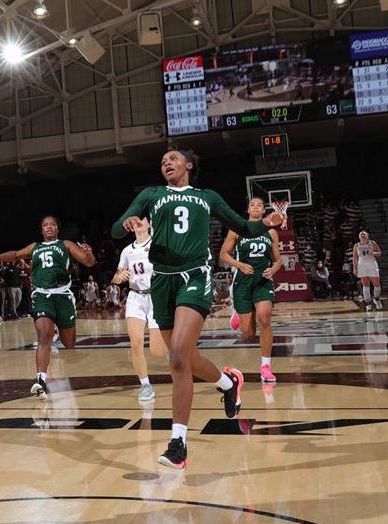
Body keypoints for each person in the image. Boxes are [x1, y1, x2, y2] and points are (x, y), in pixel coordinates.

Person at [111, 148, 283, 468]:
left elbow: (243, 227)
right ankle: (228, 384)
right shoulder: (152, 194)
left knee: (177, 355)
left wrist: (265, 223)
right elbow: (115, 229)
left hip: (194, 275)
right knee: (186, 357)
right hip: (161, 281)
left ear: (189, 165)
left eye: (173, 159)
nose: (167, 163)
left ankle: (178, 444)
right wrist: (126, 223)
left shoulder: (207, 197)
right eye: (163, 161)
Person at [0, 216, 95, 399]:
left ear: (57, 229)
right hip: (42, 295)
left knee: (69, 344)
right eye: (45, 225)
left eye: (52, 225)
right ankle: (40, 381)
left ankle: (58, 328)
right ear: (41, 230)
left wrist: (89, 253)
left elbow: (88, 262)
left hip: (63, 295)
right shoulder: (35, 247)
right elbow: (15, 254)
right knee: (44, 337)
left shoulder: (65, 244)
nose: (49, 227)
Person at [220, 197, 281, 383]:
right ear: (248, 209)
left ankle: (265, 367)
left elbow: (278, 260)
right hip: (243, 281)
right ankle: (238, 314)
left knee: (264, 318)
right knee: (248, 333)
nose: (255, 207)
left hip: (263, 280)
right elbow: (223, 254)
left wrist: (273, 269)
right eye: (252, 205)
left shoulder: (271, 232)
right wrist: (239, 265)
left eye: (259, 205)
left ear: (264, 211)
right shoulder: (237, 229)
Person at [112, 217, 166, 402]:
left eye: (142, 220)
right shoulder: (127, 251)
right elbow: (116, 277)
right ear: (131, 227)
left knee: (157, 352)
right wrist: (119, 277)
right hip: (135, 297)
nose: (139, 223)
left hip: (156, 298)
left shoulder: (158, 245)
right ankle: (145, 385)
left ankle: (172, 340)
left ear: (149, 223)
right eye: (135, 221)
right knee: (135, 343)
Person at [353, 231, 382, 311]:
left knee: (377, 284)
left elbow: (379, 253)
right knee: (365, 285)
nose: (363, 235)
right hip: (362, 265)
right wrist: (355, 268)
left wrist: (374, 253)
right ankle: (368, 303)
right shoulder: (356, 245)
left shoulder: (372, 243)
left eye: (364, 234)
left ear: (367, 236)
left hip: (372, 264)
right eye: (361, 235)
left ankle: (376, 299)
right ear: (359, 237)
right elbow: (355, 258)